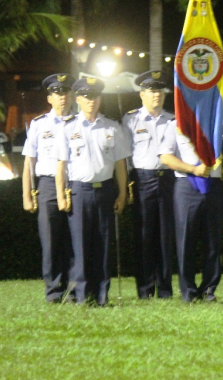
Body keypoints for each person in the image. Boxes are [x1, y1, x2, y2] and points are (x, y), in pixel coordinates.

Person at [55, 75, 130, 305]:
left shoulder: (111, 126)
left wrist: (122, 193)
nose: (91, 101)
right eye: (86, 97)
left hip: (105, 190)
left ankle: (101, 296)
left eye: (95, 96)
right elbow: (61, 165)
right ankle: (81, 296)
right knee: (80, 246)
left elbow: (120, 163)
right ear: (78, 99)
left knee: (104, 246)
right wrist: (60, 195)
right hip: (79, 192)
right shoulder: (68, 127)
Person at [158, 120, 223, 303]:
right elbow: (165, 157)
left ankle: (209, 290)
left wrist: (218, 127)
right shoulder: (177, 123)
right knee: (185, 241)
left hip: (213, 184)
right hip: (187, 184)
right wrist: (193, 169)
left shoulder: (214, 117)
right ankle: (188, 291)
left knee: (213, 241)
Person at [121, 70, 176, 300]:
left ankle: (164, 290)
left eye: (160, 91)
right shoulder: (131, 119)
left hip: (168, 180)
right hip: (142, 180)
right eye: (152, 91)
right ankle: (145, 290)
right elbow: (124, 157)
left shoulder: (173, 119)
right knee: (143, 237)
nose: (157, 95)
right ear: (142, 94)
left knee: (166, 237)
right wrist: (125, 187)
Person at [21, 73, 75, 303]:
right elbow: (29, 162)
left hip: (75, 185)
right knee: (50, 242)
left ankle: (75, 292)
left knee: (74, 241)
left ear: (72, 95)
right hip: (48, 185)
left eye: (65, 92)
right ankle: (53, 292)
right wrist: (26, 195)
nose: (62, 97)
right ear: (49, 98)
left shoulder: (81, 122)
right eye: (57, 93)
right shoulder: (38, 124)